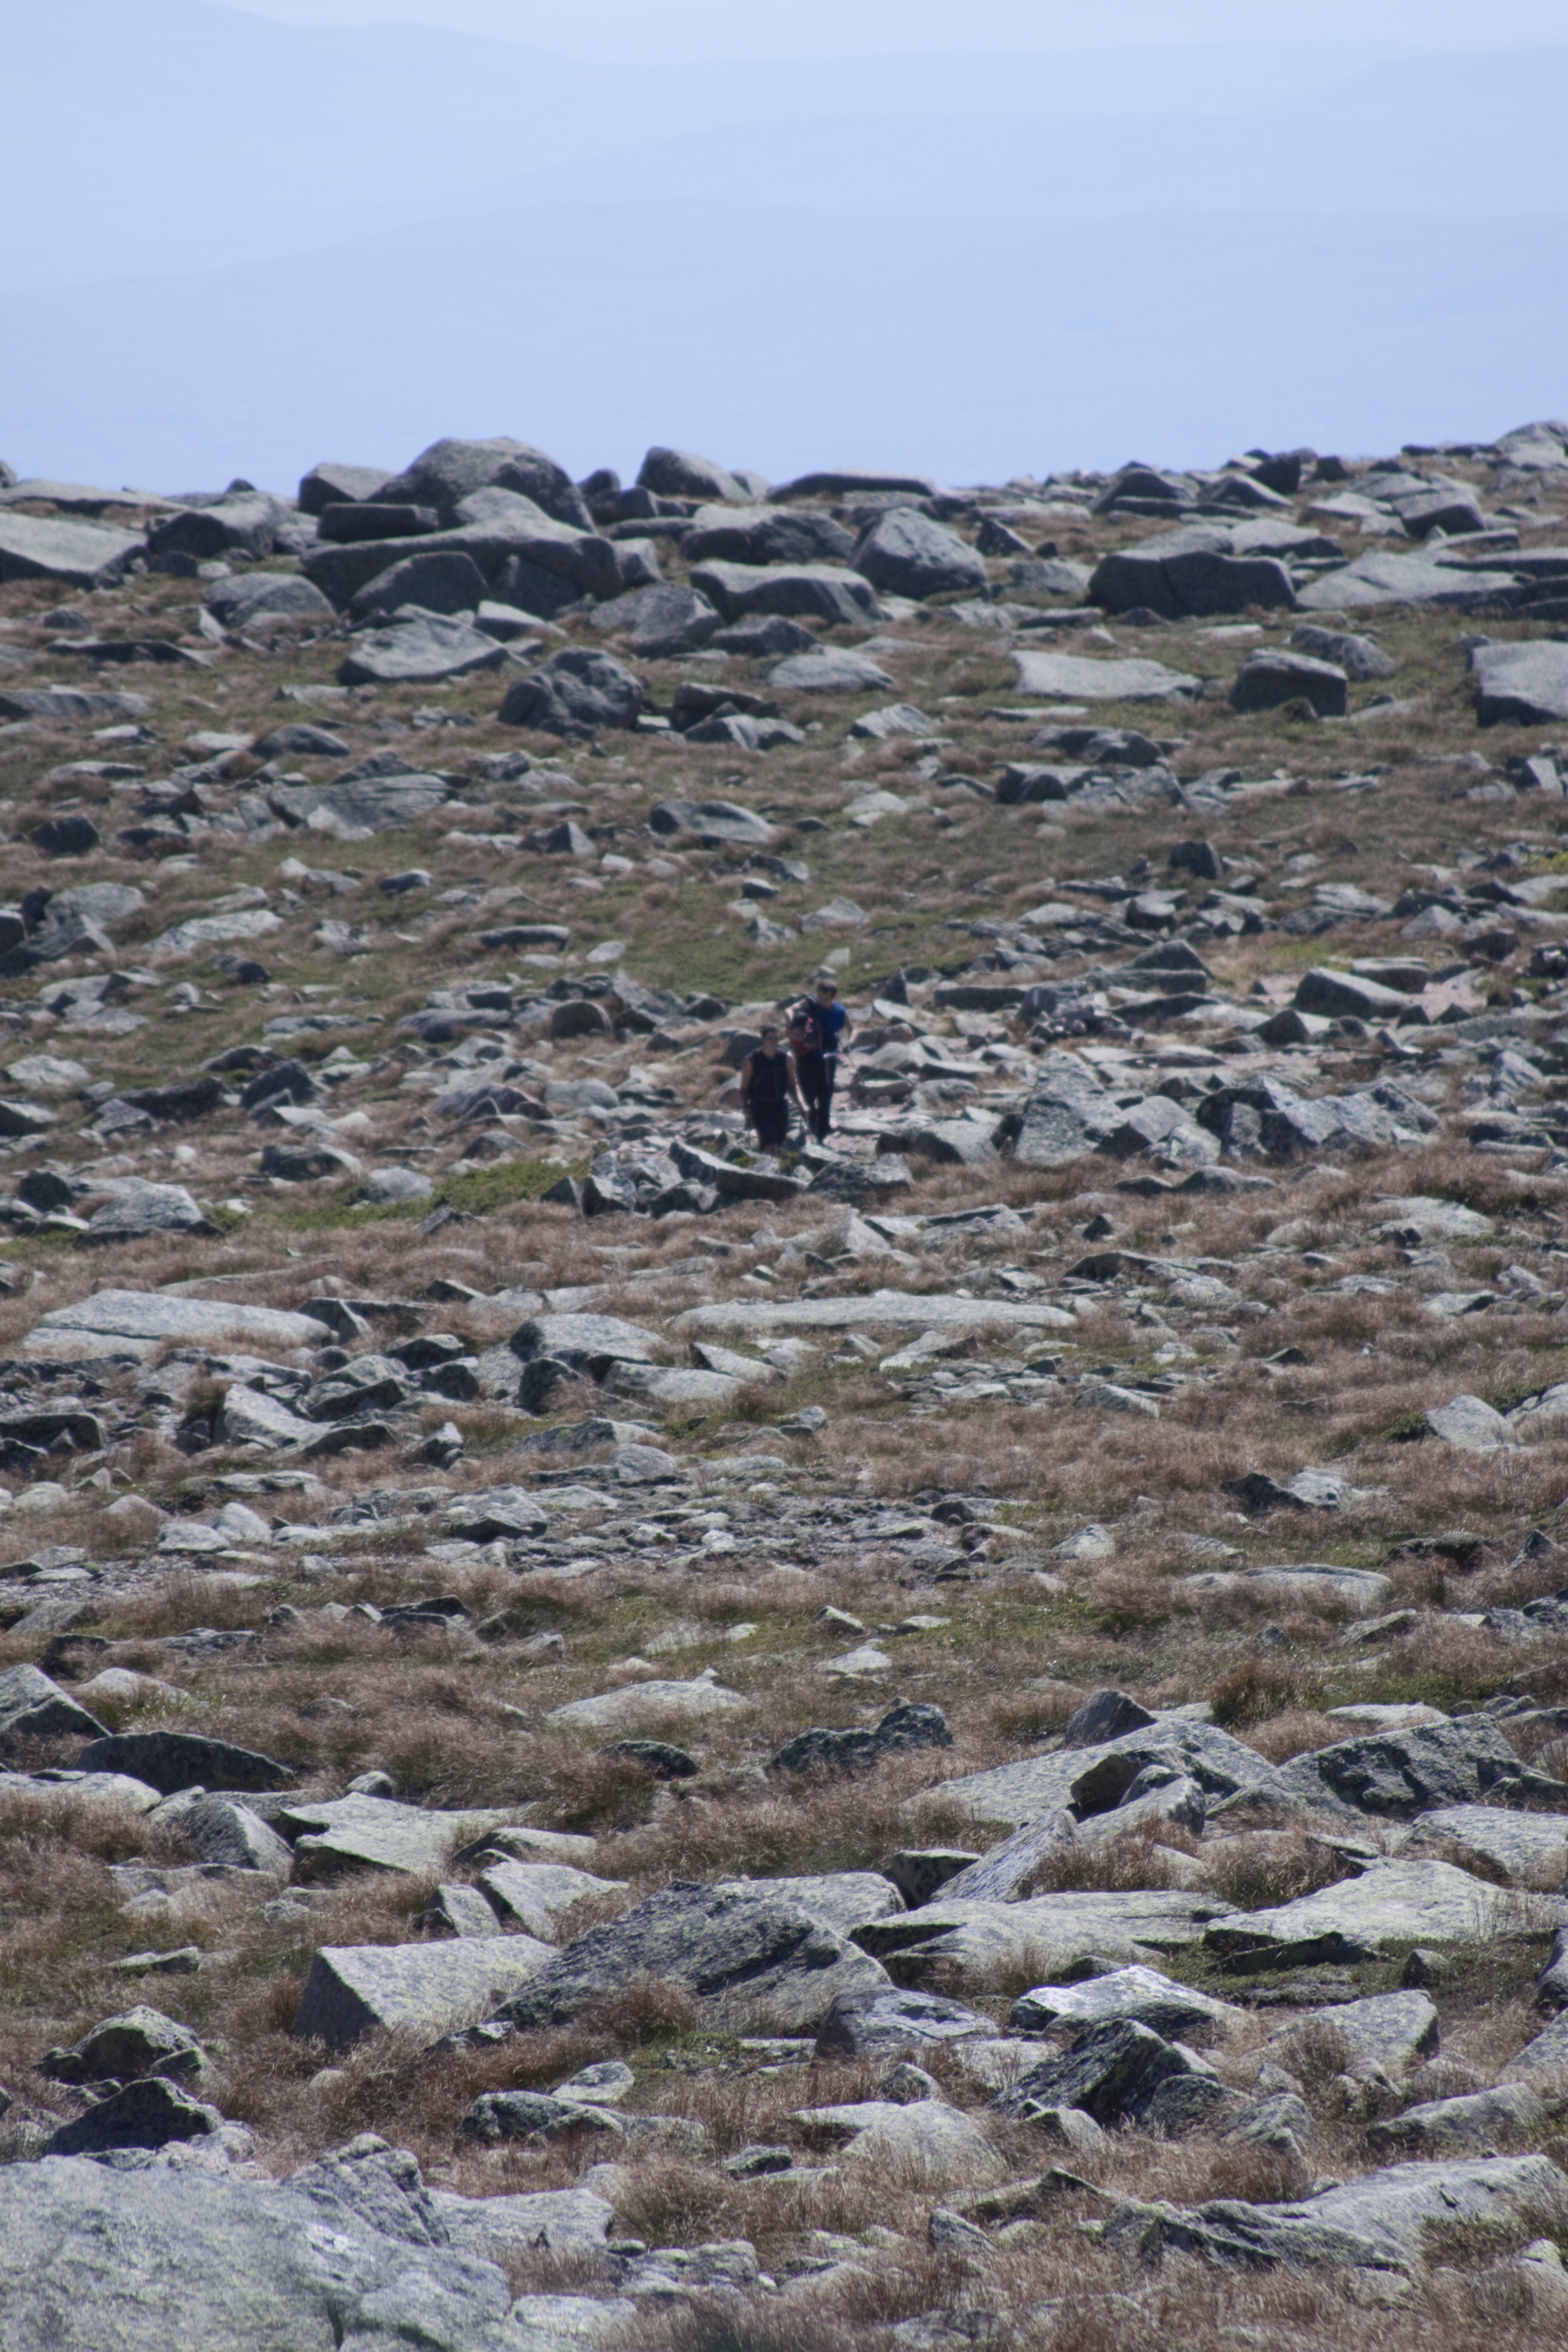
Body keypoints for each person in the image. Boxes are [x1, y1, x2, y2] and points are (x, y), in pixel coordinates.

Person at [793, 976, 853, 1141]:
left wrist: (848, 1043)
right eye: (820, 997)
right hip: (807, 1057)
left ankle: (824, 1128)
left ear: (834, 997)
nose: (822, 1001)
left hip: (828, 1059)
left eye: (826, 998)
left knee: (826, 1093)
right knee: (808, 1092)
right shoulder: (810, 1006)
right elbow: (791, 1012)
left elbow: (851, 1029)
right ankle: (811, 1123)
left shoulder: (840, 1012)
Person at [738, 1023, 803, 1154]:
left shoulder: (787, 1058)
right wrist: (746, 1105)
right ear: (763, 1040)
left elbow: (793, 1085)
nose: (774, 1042)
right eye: (770, 1038)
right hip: (760, 1107)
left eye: (776, 1038)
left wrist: (802, 1104)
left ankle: (768, 1163)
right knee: (770, 1145)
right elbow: (744, 1089)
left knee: (778, 1143)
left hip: (780, 1106)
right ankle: (770, 1165)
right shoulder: (751, 1060)